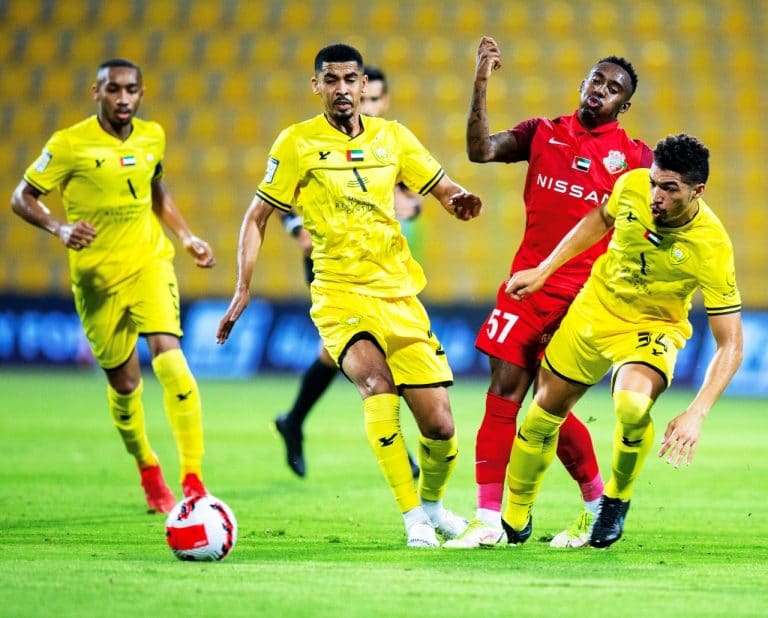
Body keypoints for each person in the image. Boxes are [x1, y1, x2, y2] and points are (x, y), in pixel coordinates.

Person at [217, 43, 482, 547]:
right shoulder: (296, 144)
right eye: (331, 80)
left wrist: (458, 199)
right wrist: (242, 287)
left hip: (398, 295)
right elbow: (257, 216)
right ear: (316, 86)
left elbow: (442, 187)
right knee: (376, 385)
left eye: (351, 80)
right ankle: (412, 520)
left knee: (441, 427)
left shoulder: (394, 138)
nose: (342, 89)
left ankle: (433, 506)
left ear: (365, 86)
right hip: (339, 294)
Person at [445, 37, 654, 549]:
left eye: (613, 89)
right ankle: (489, 520)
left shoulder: (635, 159)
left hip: (585, 299)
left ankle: (594, 507)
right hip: (526, 287)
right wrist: (480, 81)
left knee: (549, 405)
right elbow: (480, 150)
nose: (600, 90)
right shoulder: (543, 133)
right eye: (595, 80)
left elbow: (659, 218)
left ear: (623, 106)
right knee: (502, 394)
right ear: (582, 84)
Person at [500, 133, 742, 548]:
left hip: (651, 327)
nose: (655, 196)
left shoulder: (712, 245)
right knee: (540, 419)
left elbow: (731, 343)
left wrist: (696, 413)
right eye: (654, 182)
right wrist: (544, 270)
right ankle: (513, 521)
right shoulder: (631, 185)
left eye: (670, 189)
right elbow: (599, 219)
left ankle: (615, 501)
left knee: (631, 406)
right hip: (594, 310)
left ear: (697, 191)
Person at [11, 59, 215, 514]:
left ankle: (194, 479)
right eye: (114, 90)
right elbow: (21, 197)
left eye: (132, 90)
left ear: (142, 93)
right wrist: (59, 229)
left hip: (149, 263)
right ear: (96, 92)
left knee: (173, 364)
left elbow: (155, 189)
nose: (123, 98)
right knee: (125, 386)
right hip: (97, 278)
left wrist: (185, 237)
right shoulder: (68, 144)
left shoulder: (153, 135)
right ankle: (147, 467)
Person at [273, 65, 421, 480]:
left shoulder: (388, 143)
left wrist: (412, 205)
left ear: (384, 102)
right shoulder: (315, 143)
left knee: (334, 353)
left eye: (375, 100)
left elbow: (413, 194)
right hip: (331, 264)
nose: (366, 105)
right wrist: (295, 226)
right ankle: (400, 450)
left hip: (383, 268)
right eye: (363, 97)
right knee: (374, 358)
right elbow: (277, 195)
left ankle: (293, 420)